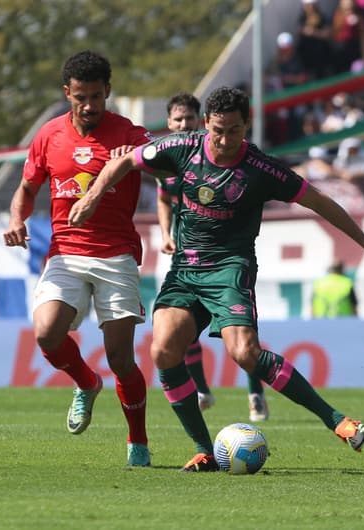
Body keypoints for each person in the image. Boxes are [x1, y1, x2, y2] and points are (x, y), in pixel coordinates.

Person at [70, 86, 364, 472]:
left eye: (235, 131)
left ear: (248, 126)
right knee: (163, 351)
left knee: (244, 353)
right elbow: (124, 163)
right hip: (186, 270)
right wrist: (92, 197)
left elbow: (321, 202)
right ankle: (204, 450)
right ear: (207, 122)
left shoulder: (262, 169)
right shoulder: (182, 146)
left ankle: (336, 421)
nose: (225, 141)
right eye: (219, 130)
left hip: (230, 268)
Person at [3, 50, 151, 467]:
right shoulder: (49, 135)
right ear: (67, 92)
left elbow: (167, 168)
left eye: (97, 97)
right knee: (47, 333)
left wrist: (135, 157)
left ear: (109, 91)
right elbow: (28, 188)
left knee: (121, 359)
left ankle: (137, 441)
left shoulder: (128, 133)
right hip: (66, 253)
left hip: (115, 256)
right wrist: (18, 218)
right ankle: (86, 383)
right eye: (81, 97)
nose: (89, 106)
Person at [158, 92, 269, 421]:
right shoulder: (169, 160)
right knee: (181, 324)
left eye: (188, 119)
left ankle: (255, 391)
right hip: (187, 253)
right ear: (168, 123)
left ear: (200, 122)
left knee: (241, 331)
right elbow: (165, 200)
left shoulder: (213, 152)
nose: (182, 124)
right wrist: (166, 234)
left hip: (226, 255)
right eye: (177, 120)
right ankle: (202, 388)